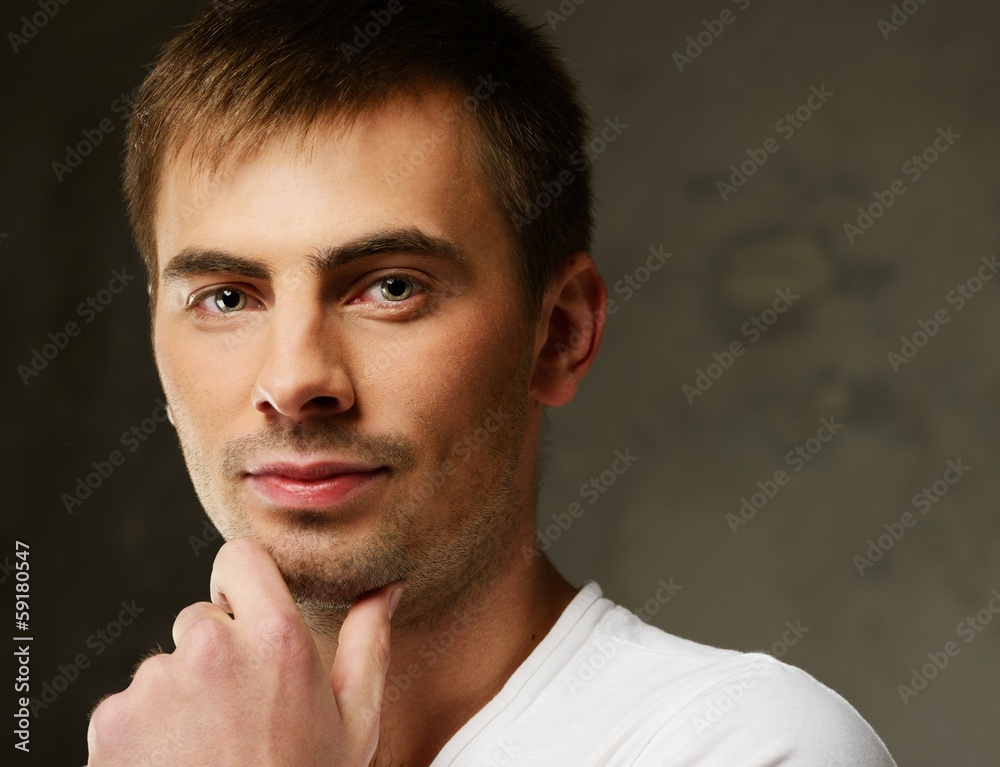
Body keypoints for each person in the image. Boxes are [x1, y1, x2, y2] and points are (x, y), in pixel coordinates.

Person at [87, 0, 898, 764]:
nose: (295, 379)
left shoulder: (749, 742)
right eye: (227, 298)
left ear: (561, 333)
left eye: (391, 287)